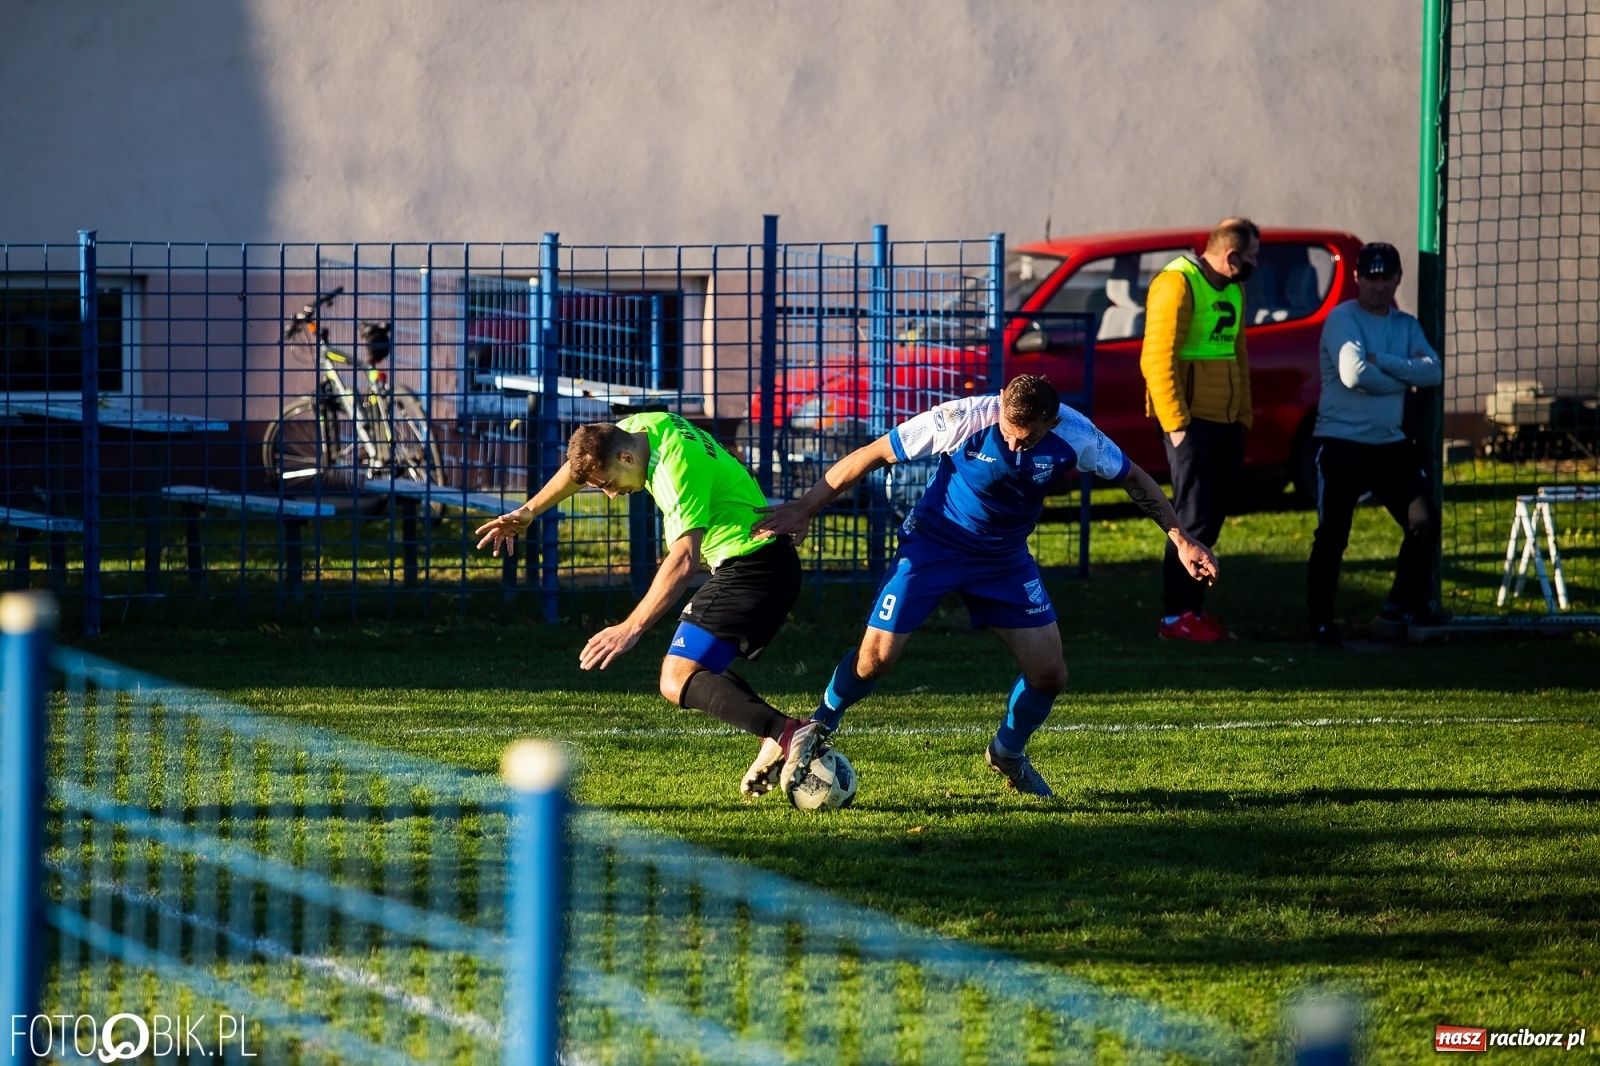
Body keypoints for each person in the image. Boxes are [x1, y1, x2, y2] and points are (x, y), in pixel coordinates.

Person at [753, 375, 1218, 798]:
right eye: (1011, 435)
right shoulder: (962, 418)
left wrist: (1180, 538)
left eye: (1029, 437)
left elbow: (1136, 478)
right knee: (875, 661)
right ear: (1000, 407)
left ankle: (1007, 754)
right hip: (935, 546)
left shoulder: (1075, 434)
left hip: (1004, 562)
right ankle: (815, 727)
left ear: (1050, 422)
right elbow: (871, 454)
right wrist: (806, 507)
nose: (1017, 446)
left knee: (1050, 674)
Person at [474, 413, 828, 800]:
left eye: (608, 484)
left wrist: (631, 627)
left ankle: (787, 732)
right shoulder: (644, 426)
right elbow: (579, 465)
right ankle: (780, 734)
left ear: (626, 459)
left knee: (675, 678)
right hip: (762, 565)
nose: (610, 494)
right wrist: (529, 511)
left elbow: (683, 560)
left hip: (753, 569)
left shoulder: (676, 471)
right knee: (691, 672)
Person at [1305, 242, 1443, 646]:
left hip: (1390, 445)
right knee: (1333, 535)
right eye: (1371, 277)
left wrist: (1384, 362)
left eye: (1387, 278)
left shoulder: (1405, 326)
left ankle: (1397, 607)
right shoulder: (1342, 319)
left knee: (1423, 521)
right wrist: (1404, 375)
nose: (1379, 286)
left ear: (1399, 278)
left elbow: (1432, 372)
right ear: (1357, 279)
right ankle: (1321, 623)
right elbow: (1354, 374)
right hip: (1341, 442)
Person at [1139, 217, 1258, 642]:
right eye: (1251, 257)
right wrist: (1176, 426)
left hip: (1225, 421)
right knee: (1190, 518)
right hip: (1189, 423)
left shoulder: (1233, 287)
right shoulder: (1177, 283)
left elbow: (1237, 354)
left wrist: (1243, 415)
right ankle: (1174, 618)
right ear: (1230, 256)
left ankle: (1193, 609)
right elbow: (1157, 360)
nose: (1254, 265)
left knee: (1212, 515)